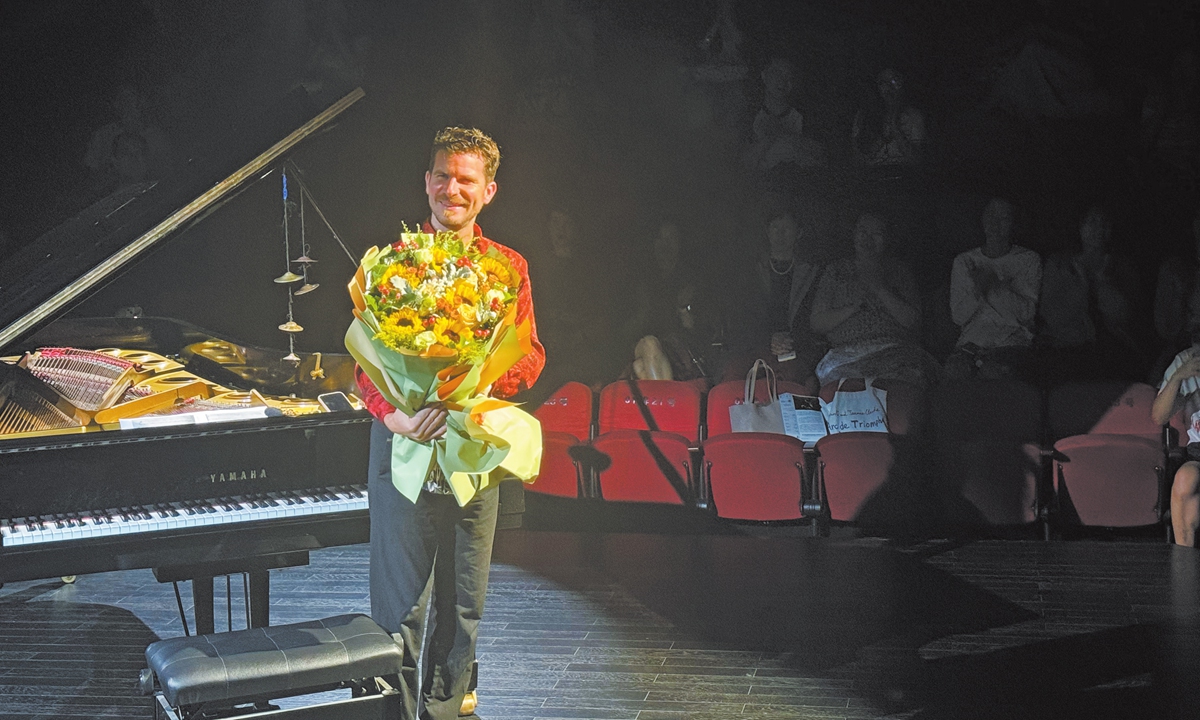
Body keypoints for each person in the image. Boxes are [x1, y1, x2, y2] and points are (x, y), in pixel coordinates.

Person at [355, 127, 544, 720]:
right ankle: (394, 712)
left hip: (471, 444)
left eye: (466, 180)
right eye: (442, 176)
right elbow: (365, 366)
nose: (451, 189)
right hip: (404, 440)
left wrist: (472, 392)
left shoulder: (507, 267)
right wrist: (398, 415)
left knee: (463, 600)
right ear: (426, 182)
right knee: (399, 604)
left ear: (488, 190)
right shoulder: (391, 266)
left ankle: (441, 709)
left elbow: (531, 352)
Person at [809, 213, 936, 387]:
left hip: (894, 351)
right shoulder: (836, 271)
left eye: (876, 233)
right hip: (846, 355)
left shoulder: (899, 271)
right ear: (854, 235)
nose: (868, 239)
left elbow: (913, 321)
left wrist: (879, 288)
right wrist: (853, 307)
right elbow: (817, 322)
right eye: (863, 232)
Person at [1037, 204, 1146, 382]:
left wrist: (1102, 281)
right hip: (1066, 346)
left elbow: (1124, 316)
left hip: (1113, 349)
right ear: (1081, 227)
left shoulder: (1121, 267)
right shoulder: (1059, 264)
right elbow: (1053, 316)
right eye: (1092, 222)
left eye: (1103, 224)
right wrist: (1082, 285)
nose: (1097, 229)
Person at [946, 198, 1042, 379]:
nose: (995, 223)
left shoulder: (1028, 259)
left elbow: (1026, 313)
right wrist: (978, 290)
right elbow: (958, 316)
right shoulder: (964, 261)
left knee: (992, 373)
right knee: (954, 373)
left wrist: (994, 286)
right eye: (990, 216)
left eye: (1003, 218)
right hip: (971, 342)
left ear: (1013, 223)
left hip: (1011, 341)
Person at [1152, 346, 1200, 546]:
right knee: (1185, 478)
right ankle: (1185, 564)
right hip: (1198, 453)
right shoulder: (1188, 360)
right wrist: (1179, 376)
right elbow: (1159, 416)